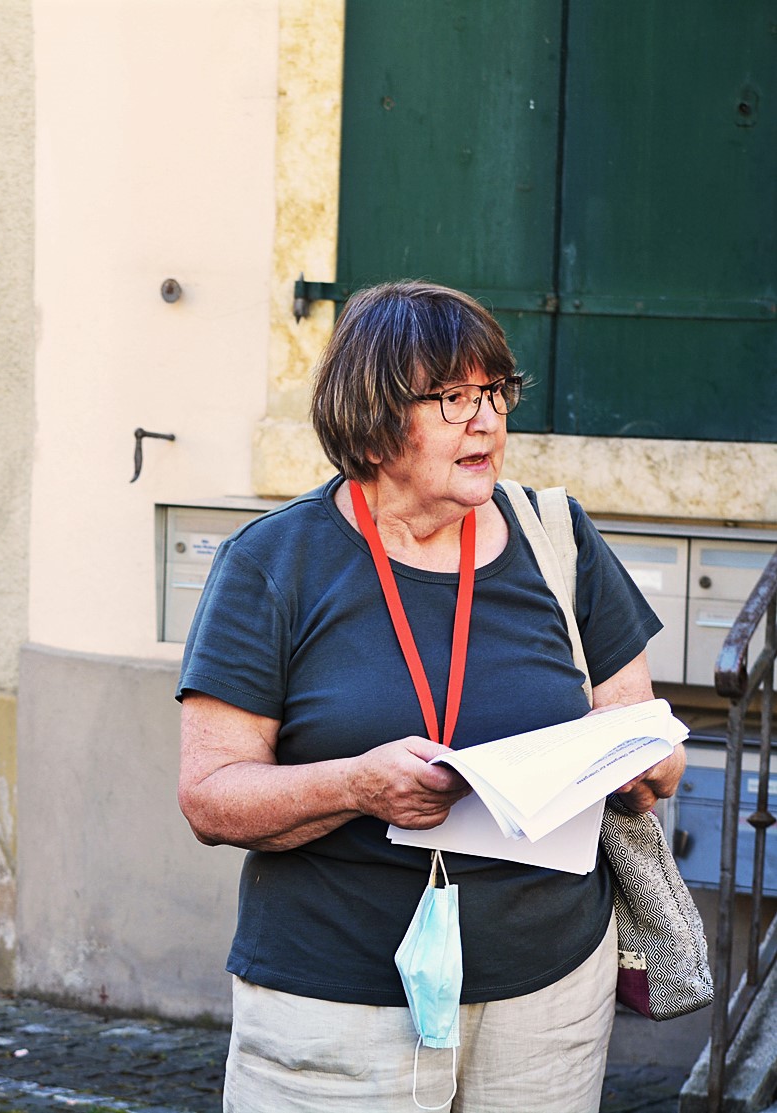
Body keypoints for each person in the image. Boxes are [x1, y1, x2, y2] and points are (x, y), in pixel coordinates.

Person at [176, 281, 686, 1112]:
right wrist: (355, 783)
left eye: (494, 393)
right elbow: (209, 796)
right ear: (374, 421)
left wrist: (648, 764)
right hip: (337, 1002)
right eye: (451, 398)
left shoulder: (557, 537)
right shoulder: (274, 563)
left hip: (548, 995)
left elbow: (640, 727)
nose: (486, 419)